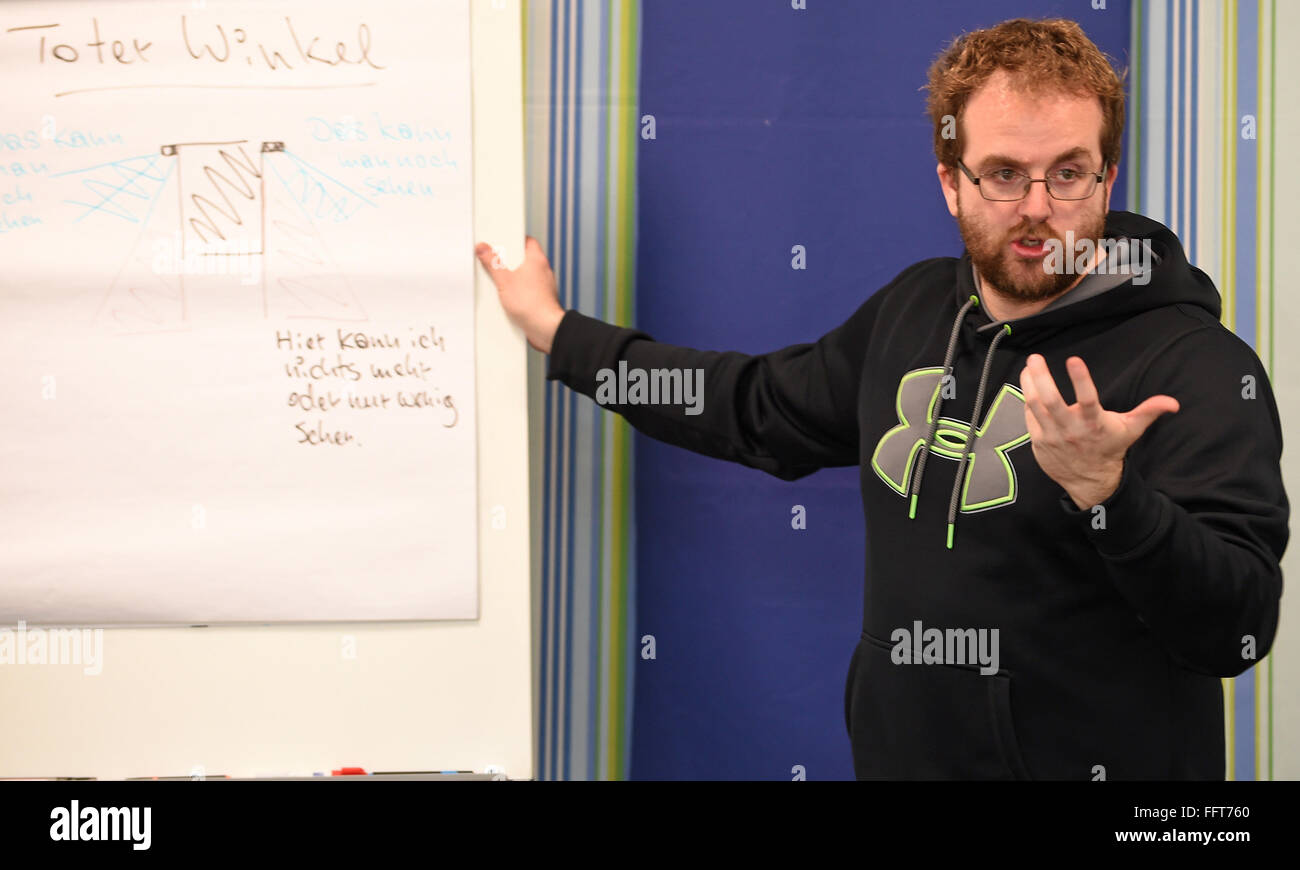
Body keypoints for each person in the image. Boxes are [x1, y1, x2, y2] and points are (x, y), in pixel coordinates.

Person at [473, 17, 1288, 780]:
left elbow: (1235, 629)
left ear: (1106, 178)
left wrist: (1112, 498)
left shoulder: (1197, 366)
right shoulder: (915, 310)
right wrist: (556, 331)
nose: (1039, 207)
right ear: (950, 182)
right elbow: (752, 406)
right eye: (1004, 173)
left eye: (1068, 172)